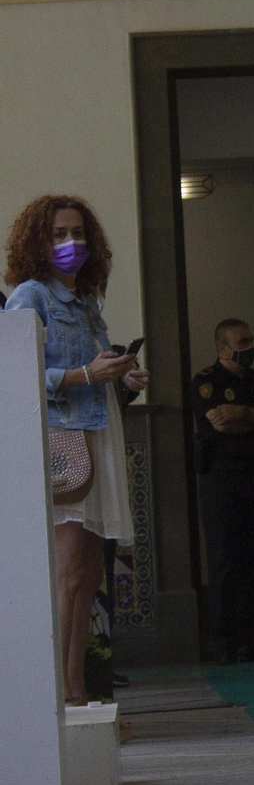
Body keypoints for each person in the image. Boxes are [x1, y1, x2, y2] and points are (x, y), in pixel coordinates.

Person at [5, 195, 147, 705]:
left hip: (95, 428)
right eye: (61, 234)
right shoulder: (29, 296)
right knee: (67, 572)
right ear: (38, 243)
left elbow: (96, 368)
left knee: (88, 573)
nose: (73, 244)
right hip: (62, 437)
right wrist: (88, 374)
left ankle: (76, 688)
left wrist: (123, 376)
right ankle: (60, 692)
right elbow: (16, 375)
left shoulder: (86, 301)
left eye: (80, 233)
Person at [191, 318, 254, 664]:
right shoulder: (206, 381)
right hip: (221, 481)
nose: (248, 347)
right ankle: (224, 643)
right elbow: (220, 425)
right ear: (222, 348)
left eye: (250, 340)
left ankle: (248, 641)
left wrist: (245, 413)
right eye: (241, 342)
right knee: (225, 562)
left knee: (252, 560)